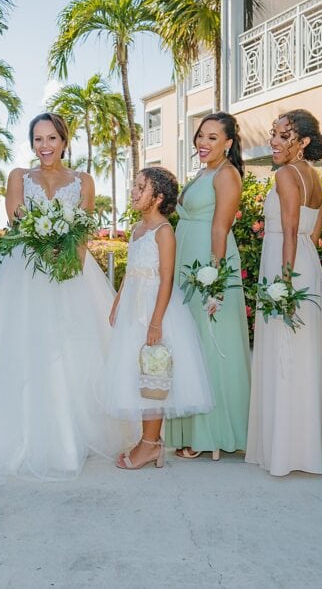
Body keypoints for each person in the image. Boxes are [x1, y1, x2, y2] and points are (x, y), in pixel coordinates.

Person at [0, 112, 127, 483]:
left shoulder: (83, 180)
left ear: (64, 140)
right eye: (38, 139)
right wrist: (46, 240)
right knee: (20, 347)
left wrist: (70, 257)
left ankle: (69, 441)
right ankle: (5, 439)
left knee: (72, 347)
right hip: (25, 271)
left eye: (52, 138)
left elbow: (84, 227)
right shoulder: (19, 177)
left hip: (71, 269)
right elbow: (16, 216)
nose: (45, 147)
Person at [104, 167, 213, 470]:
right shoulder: (138, 228)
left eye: (141, 187)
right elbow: (130, 272)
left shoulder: (164, 231)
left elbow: (166, 280)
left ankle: (151, 444)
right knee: (139, 375)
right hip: (133, 308)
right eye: (134, 186)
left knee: (155, 375)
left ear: (159, 197)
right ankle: (146, 440)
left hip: (156, 309)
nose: (134, 192)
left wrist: (155, 322)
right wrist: (117, 302)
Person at [246, 110, 322, 476]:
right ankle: (303, 446)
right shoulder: (313, 176)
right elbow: (315, 234)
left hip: (288, 268)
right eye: (274, 134)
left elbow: (292, 232)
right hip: (307, 265)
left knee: (284, 351)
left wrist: (285, 285)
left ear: (303, 143)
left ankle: (284, 449)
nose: (275, 142)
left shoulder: (284, 175)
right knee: (302, 354)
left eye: (284, 136)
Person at [166, 112, 251, 461]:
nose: (204, 142)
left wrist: (214, 279)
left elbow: (220, 228)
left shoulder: (227, 175)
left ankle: (211, 434)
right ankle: (193, 430)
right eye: (201, 135)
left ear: (228, 143)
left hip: (208, 264)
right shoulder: (203, 172)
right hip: (188, 259)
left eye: (213, 137)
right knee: (191, 343)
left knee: (212, 344)